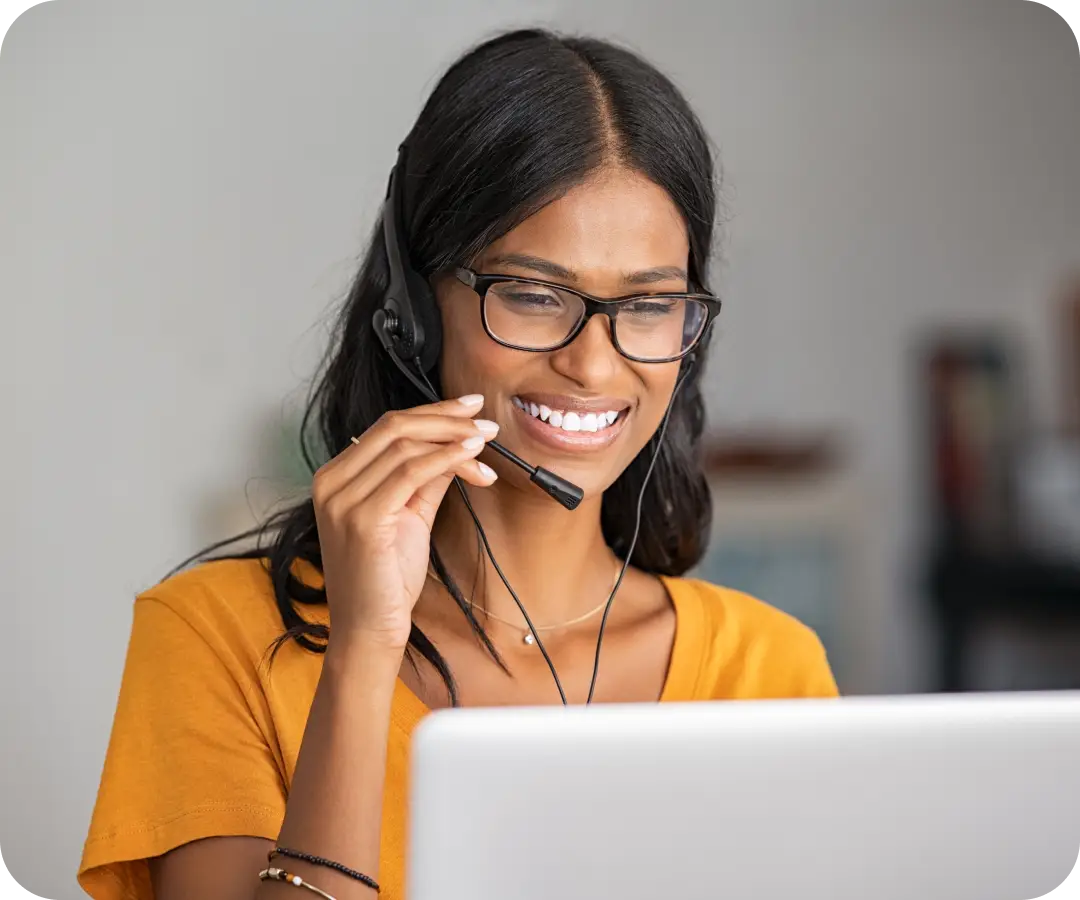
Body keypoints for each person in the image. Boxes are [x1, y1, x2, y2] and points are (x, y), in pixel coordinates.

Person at [78, 27, 838, 900]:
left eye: (649, 305)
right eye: (533, 294)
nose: (593, 366)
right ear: (412, 309)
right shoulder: (213, 637)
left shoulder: (771, 669)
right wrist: (363, 653)